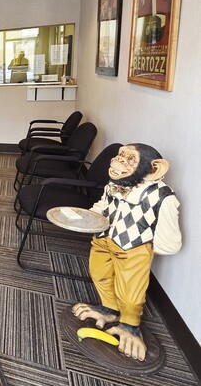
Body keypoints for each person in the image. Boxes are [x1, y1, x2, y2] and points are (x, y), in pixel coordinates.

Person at [71, 144, 181, 361]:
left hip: (132, 247)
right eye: (121, 155)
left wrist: (143, 248)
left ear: (154, 169)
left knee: (131, 292)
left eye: (130, 158)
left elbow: (170, 243)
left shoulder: (162, 196)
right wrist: (87, 218)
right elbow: (103, 205)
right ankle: (109, 309)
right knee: (99, 274)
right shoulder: (116, 183)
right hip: (103, 239)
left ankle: (130, 326)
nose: (118, 160)